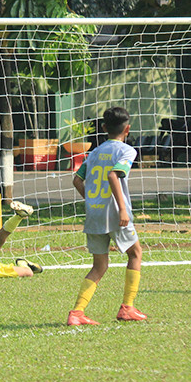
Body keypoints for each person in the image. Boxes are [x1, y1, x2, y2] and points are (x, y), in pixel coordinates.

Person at [66, 106, 145, 326]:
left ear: (103, 128)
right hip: (115, 213)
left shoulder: (94, 153)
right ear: (127, 129)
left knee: (99, 265)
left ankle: (77, 312)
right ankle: (127, 307)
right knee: (135, 254)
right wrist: (122, 208)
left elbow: (76, 180)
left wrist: (92, 201)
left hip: (94, 214)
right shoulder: (127, 151)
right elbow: (113, 175)